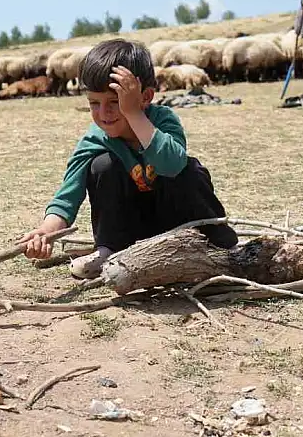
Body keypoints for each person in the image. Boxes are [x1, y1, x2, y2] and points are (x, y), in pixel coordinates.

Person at [17, 38, 238, 278]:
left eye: (115, 101)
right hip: (132, 233)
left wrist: (133, 114)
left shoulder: (163, 120)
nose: (104, 113)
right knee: (102, 166)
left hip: (179, 226)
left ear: (145, 97)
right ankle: (110, 251)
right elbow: (68, 194)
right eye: (94, 103)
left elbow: (171, 164)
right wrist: (47, 231)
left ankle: (220, 245)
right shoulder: (96, 138)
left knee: (188, 168)